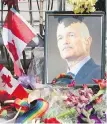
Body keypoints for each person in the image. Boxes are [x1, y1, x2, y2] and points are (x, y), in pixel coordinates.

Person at [56, 17, 101, 84]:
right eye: (60, 38)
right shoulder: (59, 81)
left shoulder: (100, 74)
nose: (65, 41)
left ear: (87, 41)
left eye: (71, 35)